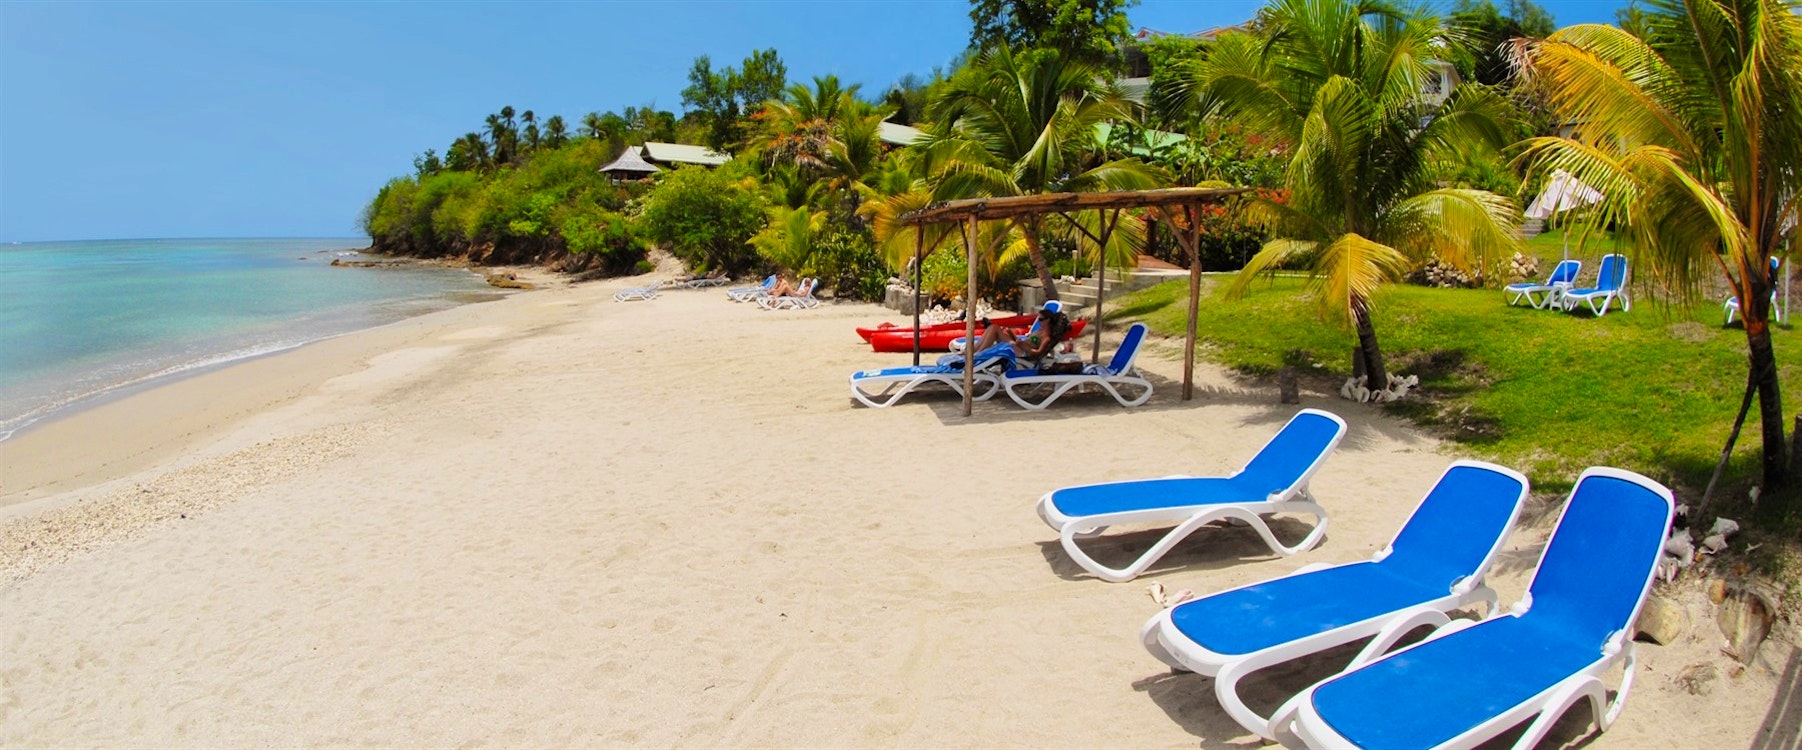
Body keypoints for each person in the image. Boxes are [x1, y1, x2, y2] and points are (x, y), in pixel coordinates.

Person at [970, 303, 1065, 363]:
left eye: (1041, 319)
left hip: (1023, 353)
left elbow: (1037, 353)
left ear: (1048, 320)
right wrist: (1014, 337)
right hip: (1019, 346)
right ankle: (974, 351)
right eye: (1038, 319)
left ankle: (978, 354)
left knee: (995, 329)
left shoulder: (1046, 337)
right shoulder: (1039, 330)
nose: (1039, 322)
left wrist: (1025, 346)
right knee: (993, 327)